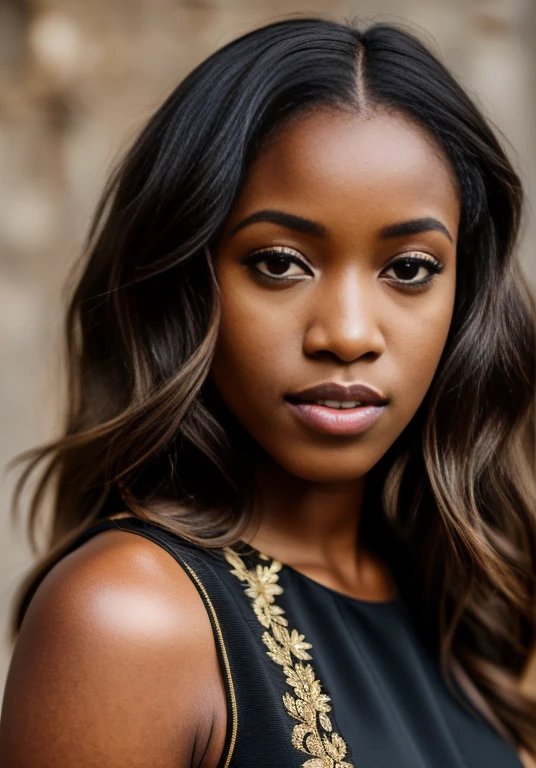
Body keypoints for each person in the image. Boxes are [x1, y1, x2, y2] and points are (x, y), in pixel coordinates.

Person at [1, 15, 535, 768]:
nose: (348, 333)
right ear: (186, 280)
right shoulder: (130, 616)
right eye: (280, 263)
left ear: (466, 295)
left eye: (409, 269)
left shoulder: (465, 608)